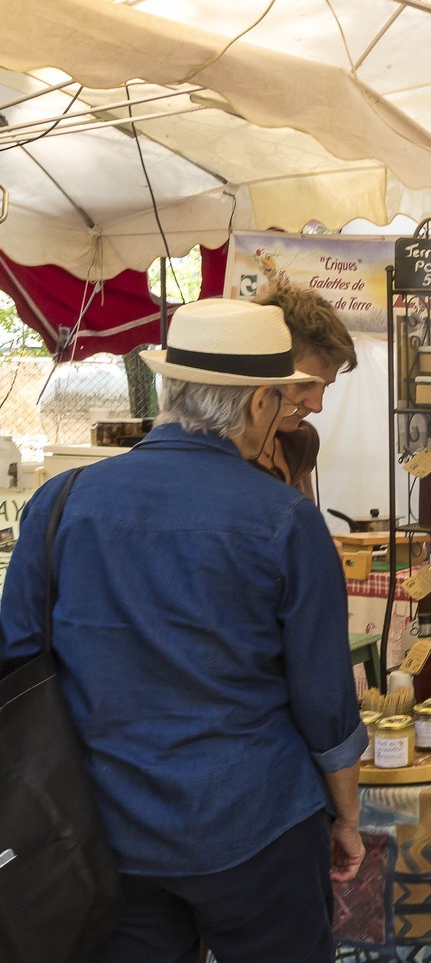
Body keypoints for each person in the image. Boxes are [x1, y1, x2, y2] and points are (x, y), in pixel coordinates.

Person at [0, 299, 365, 963]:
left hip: (106, 826)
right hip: (255, 824)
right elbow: (324, 698)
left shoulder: (60, 502)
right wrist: (346, 815)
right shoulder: (285, 520)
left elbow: (18, 654)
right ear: (259, 402)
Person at [254, 282, 359, 498]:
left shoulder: (299, 441)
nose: (317, 406)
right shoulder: (215, 458)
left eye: (325, 386)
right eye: (304, 384)